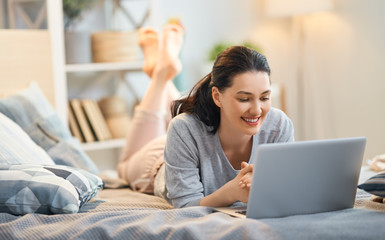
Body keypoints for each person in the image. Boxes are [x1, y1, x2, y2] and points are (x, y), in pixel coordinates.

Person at [117, 23, 295, 209]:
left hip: (191, 139)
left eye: (265, 97)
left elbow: (286, 187)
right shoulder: (184, 128)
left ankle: (159, 68)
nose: (257, 110)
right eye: (244, 99)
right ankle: (161, 74)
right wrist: (232, 191)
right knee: (123, 167)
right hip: (155, 162)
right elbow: (185, 204)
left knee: (184, 116)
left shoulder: (279, 125)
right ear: (217, 97)